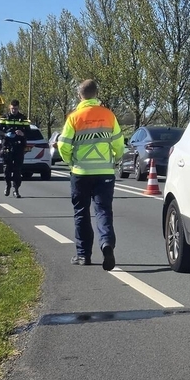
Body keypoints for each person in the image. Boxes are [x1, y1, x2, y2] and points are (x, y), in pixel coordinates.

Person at [57, 79, 124, 270]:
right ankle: (106, 244)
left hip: (81, 172)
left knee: (81, 213)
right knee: (103, 211)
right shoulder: (108, 115)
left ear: (80, 95)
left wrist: (70, 161)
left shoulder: (74, 117)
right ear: (96, 94)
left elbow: (63, 145)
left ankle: (83, 255)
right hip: (104, 172)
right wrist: (114, 159)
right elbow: (119, 144)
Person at [1, 122, 27, 198]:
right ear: (10, 109)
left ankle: (16, 190)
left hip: (18, 149)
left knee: (17, 171)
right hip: (7, 149)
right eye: (12, 108)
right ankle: (8, 185)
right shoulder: (5, 118)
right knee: (7, 169)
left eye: (15, 108)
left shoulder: (22, 119)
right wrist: (5, 134)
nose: (14, 109)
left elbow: (28, 132)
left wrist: (22, 134)